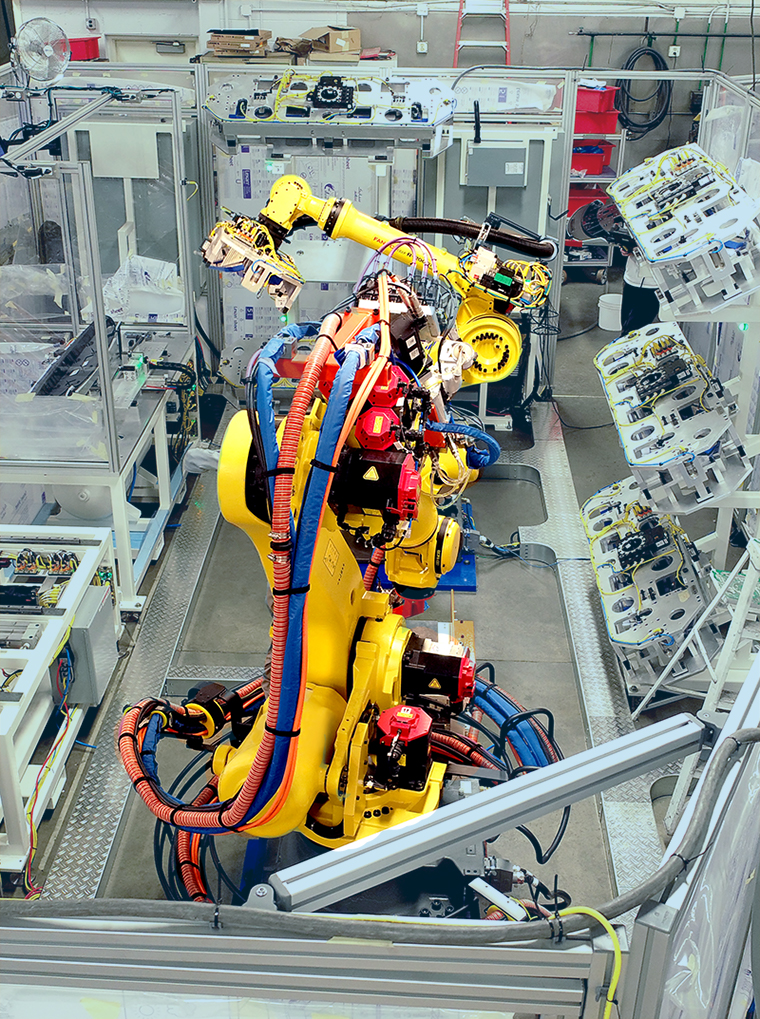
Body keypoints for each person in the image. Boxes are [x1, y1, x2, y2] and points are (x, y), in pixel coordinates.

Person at [621, 247, 660, 333]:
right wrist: (626, 247)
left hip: (653, 284)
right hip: (631, 278)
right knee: (625, 324)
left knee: (636, 329)